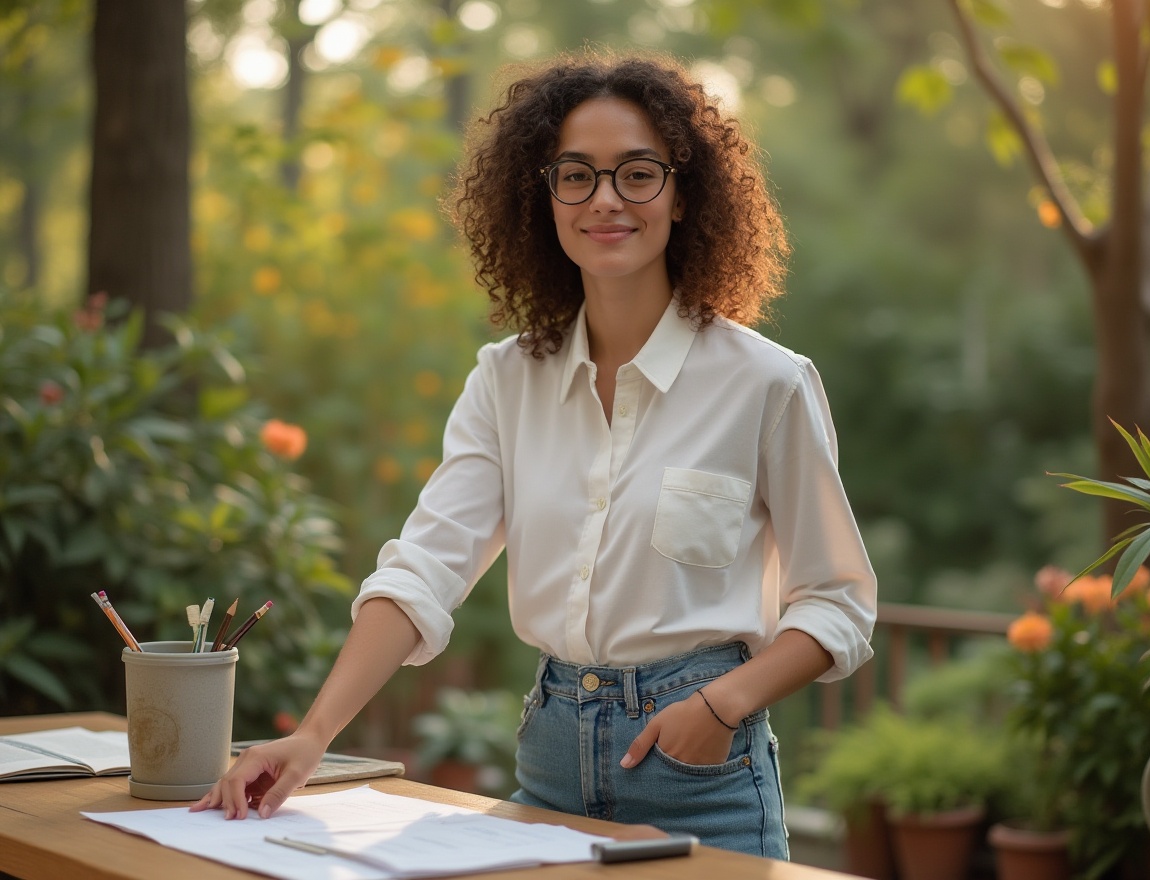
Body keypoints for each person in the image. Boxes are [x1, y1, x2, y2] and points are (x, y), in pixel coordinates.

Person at [192, 49, 876, 861]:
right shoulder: (505, 381)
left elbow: (837, 602)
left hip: (704, 773)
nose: (606, 200)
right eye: (577, 175)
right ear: (544, 196)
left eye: (638, 173)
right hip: (548, 759)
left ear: (684, 192)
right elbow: (424, 570)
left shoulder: (767, 384)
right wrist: (310, 736)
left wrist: (722, 705)